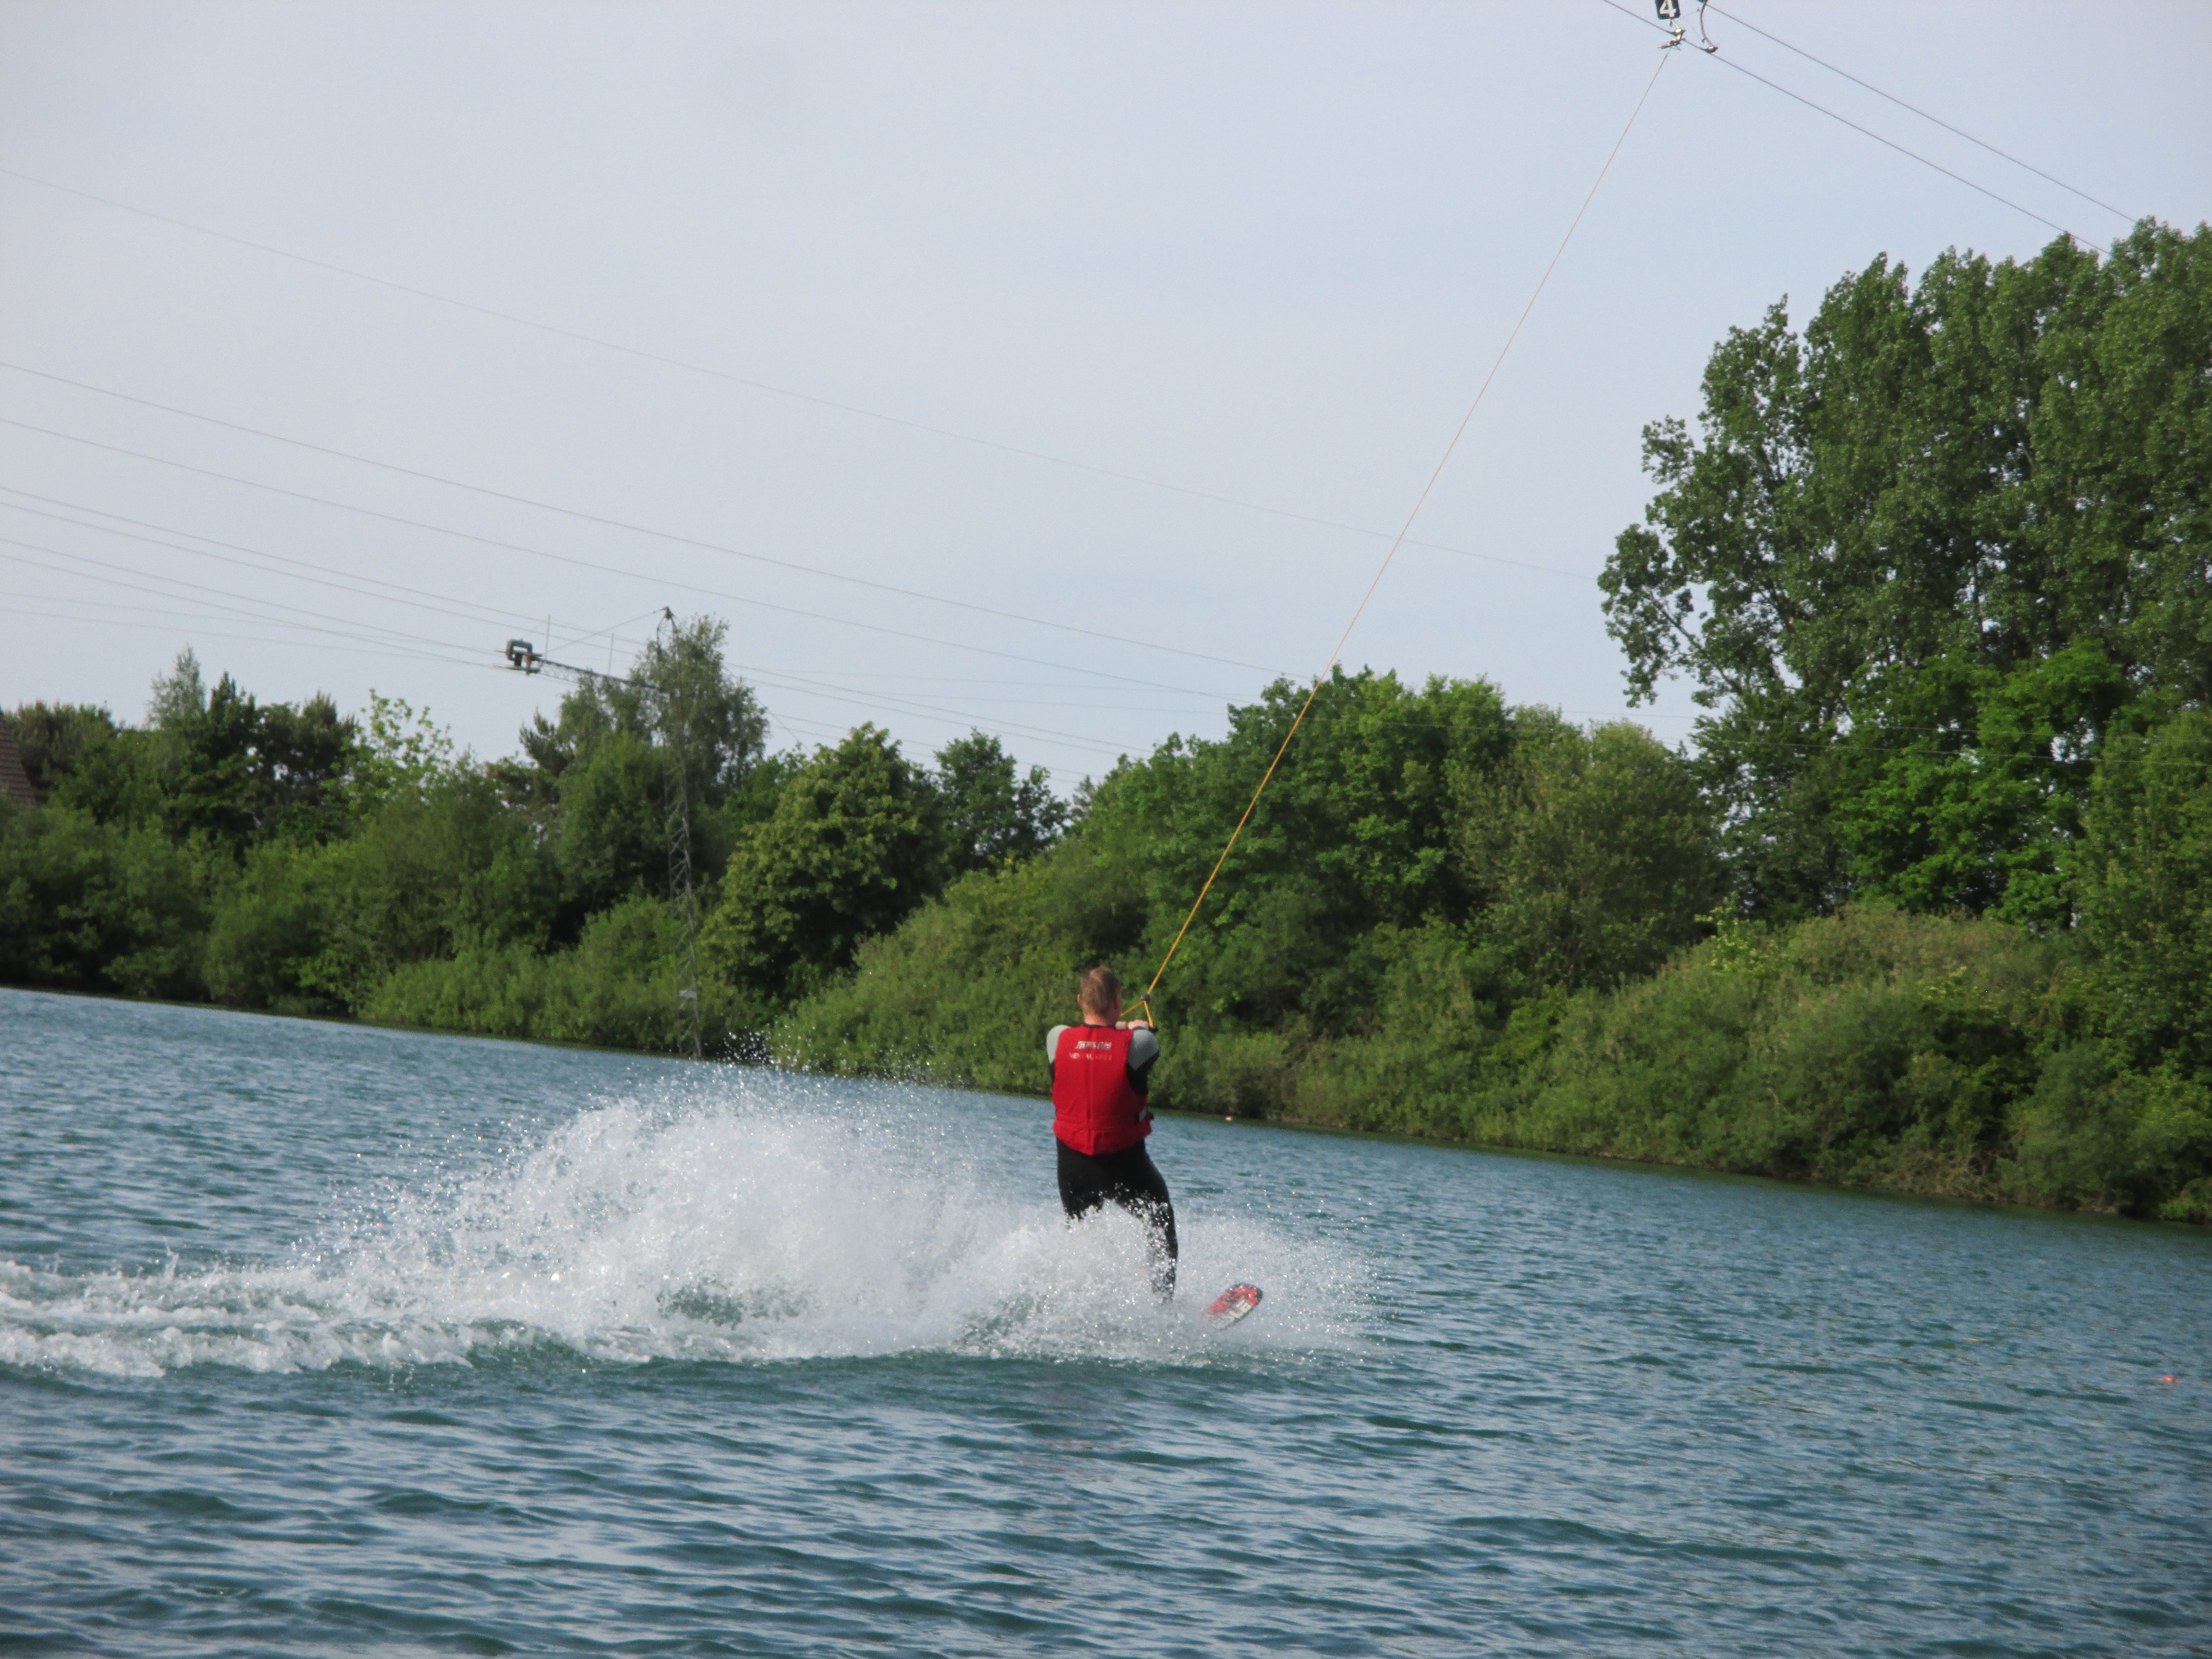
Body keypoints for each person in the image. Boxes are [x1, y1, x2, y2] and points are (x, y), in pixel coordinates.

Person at [1047, 965, 1177, 1298]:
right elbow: (1138, 1037)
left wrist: (1118, 1027)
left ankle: (1074, 1300)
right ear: (1119, 1001)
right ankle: (1163, 1307)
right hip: (1124, 1166)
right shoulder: (1142, 1043)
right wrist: (1133, 1026)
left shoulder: (1057, 1038)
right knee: (1159, 1223)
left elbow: (1094, 1036)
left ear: (1080, 1001)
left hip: (1073, 1167)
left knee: (1081, 1236)